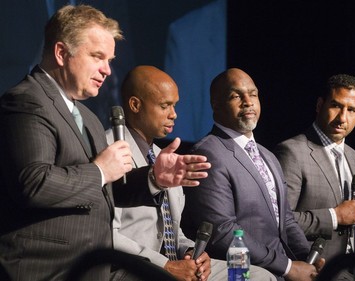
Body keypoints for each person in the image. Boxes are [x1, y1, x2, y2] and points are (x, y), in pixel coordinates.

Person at [0, 5, 210, 281]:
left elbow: (103, 191)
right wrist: (99, 170)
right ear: (61, 53)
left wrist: (153, 178)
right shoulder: (27, 101)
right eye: (97, 57)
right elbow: (33, 183)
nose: (107, 70)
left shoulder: (87, 116)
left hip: (90, 268)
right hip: (44, 269)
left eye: (110, 60)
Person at [106, 65, 277, 281]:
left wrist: (191, 252)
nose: (174, 114)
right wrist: (165, 265)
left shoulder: (165, 157)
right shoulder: (109, 150)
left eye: (175, 105)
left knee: (258, 276)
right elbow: (107, 235)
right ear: (135, 105)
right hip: (133, 267)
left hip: (173, 261)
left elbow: (173, 231)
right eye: (165, 106)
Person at [182, 68, 325, 281]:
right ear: (216, 104)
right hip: (243, 274)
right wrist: (288, 267)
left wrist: (306, 259)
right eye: (235, 96)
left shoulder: (267, 155)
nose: (248, 101)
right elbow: (221, 231)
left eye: (253, 94)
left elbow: (285, 220)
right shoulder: (207, 153)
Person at [274, 74, 355, 280]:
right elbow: (279, 221)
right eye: (336, 106)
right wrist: (335, 216)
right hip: (317, 270)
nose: (342, 117)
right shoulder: (292, 152)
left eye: (351, 110)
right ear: (320, 105)